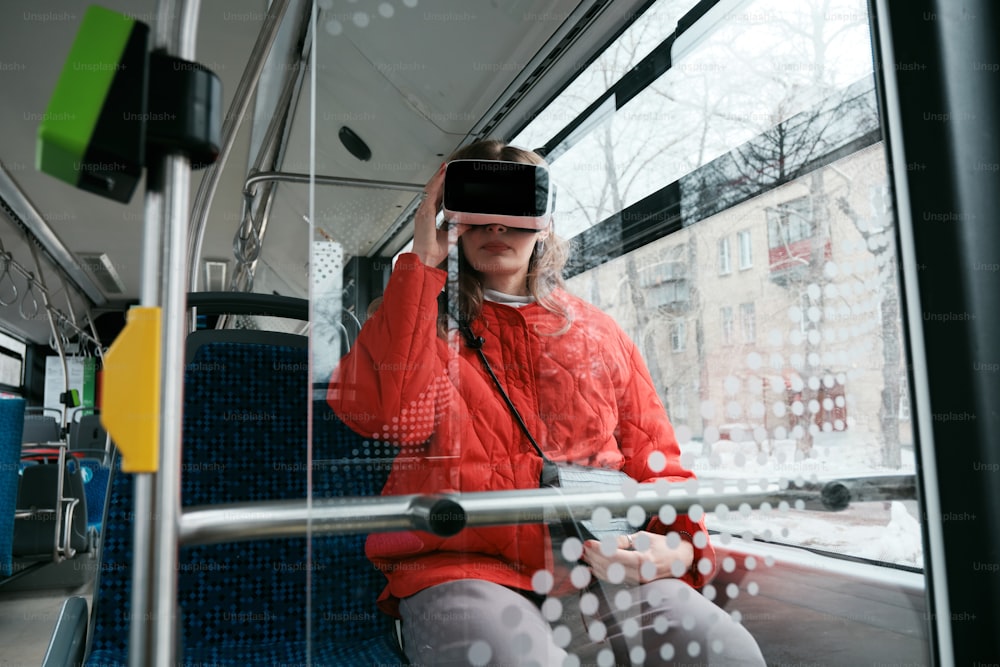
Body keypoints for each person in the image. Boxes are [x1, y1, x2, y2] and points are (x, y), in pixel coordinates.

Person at [327, 139, 765, 666]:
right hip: (462, 566)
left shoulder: (602, 335)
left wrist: (674, 549)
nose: (496, 227)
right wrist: (421, 263)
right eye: (479, 210)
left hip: (597, 565)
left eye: (516, 209)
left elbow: (658, 466)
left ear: (544, 221)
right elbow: (387, 417)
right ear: (453, 218)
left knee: (728, 653)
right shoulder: (415, 316)